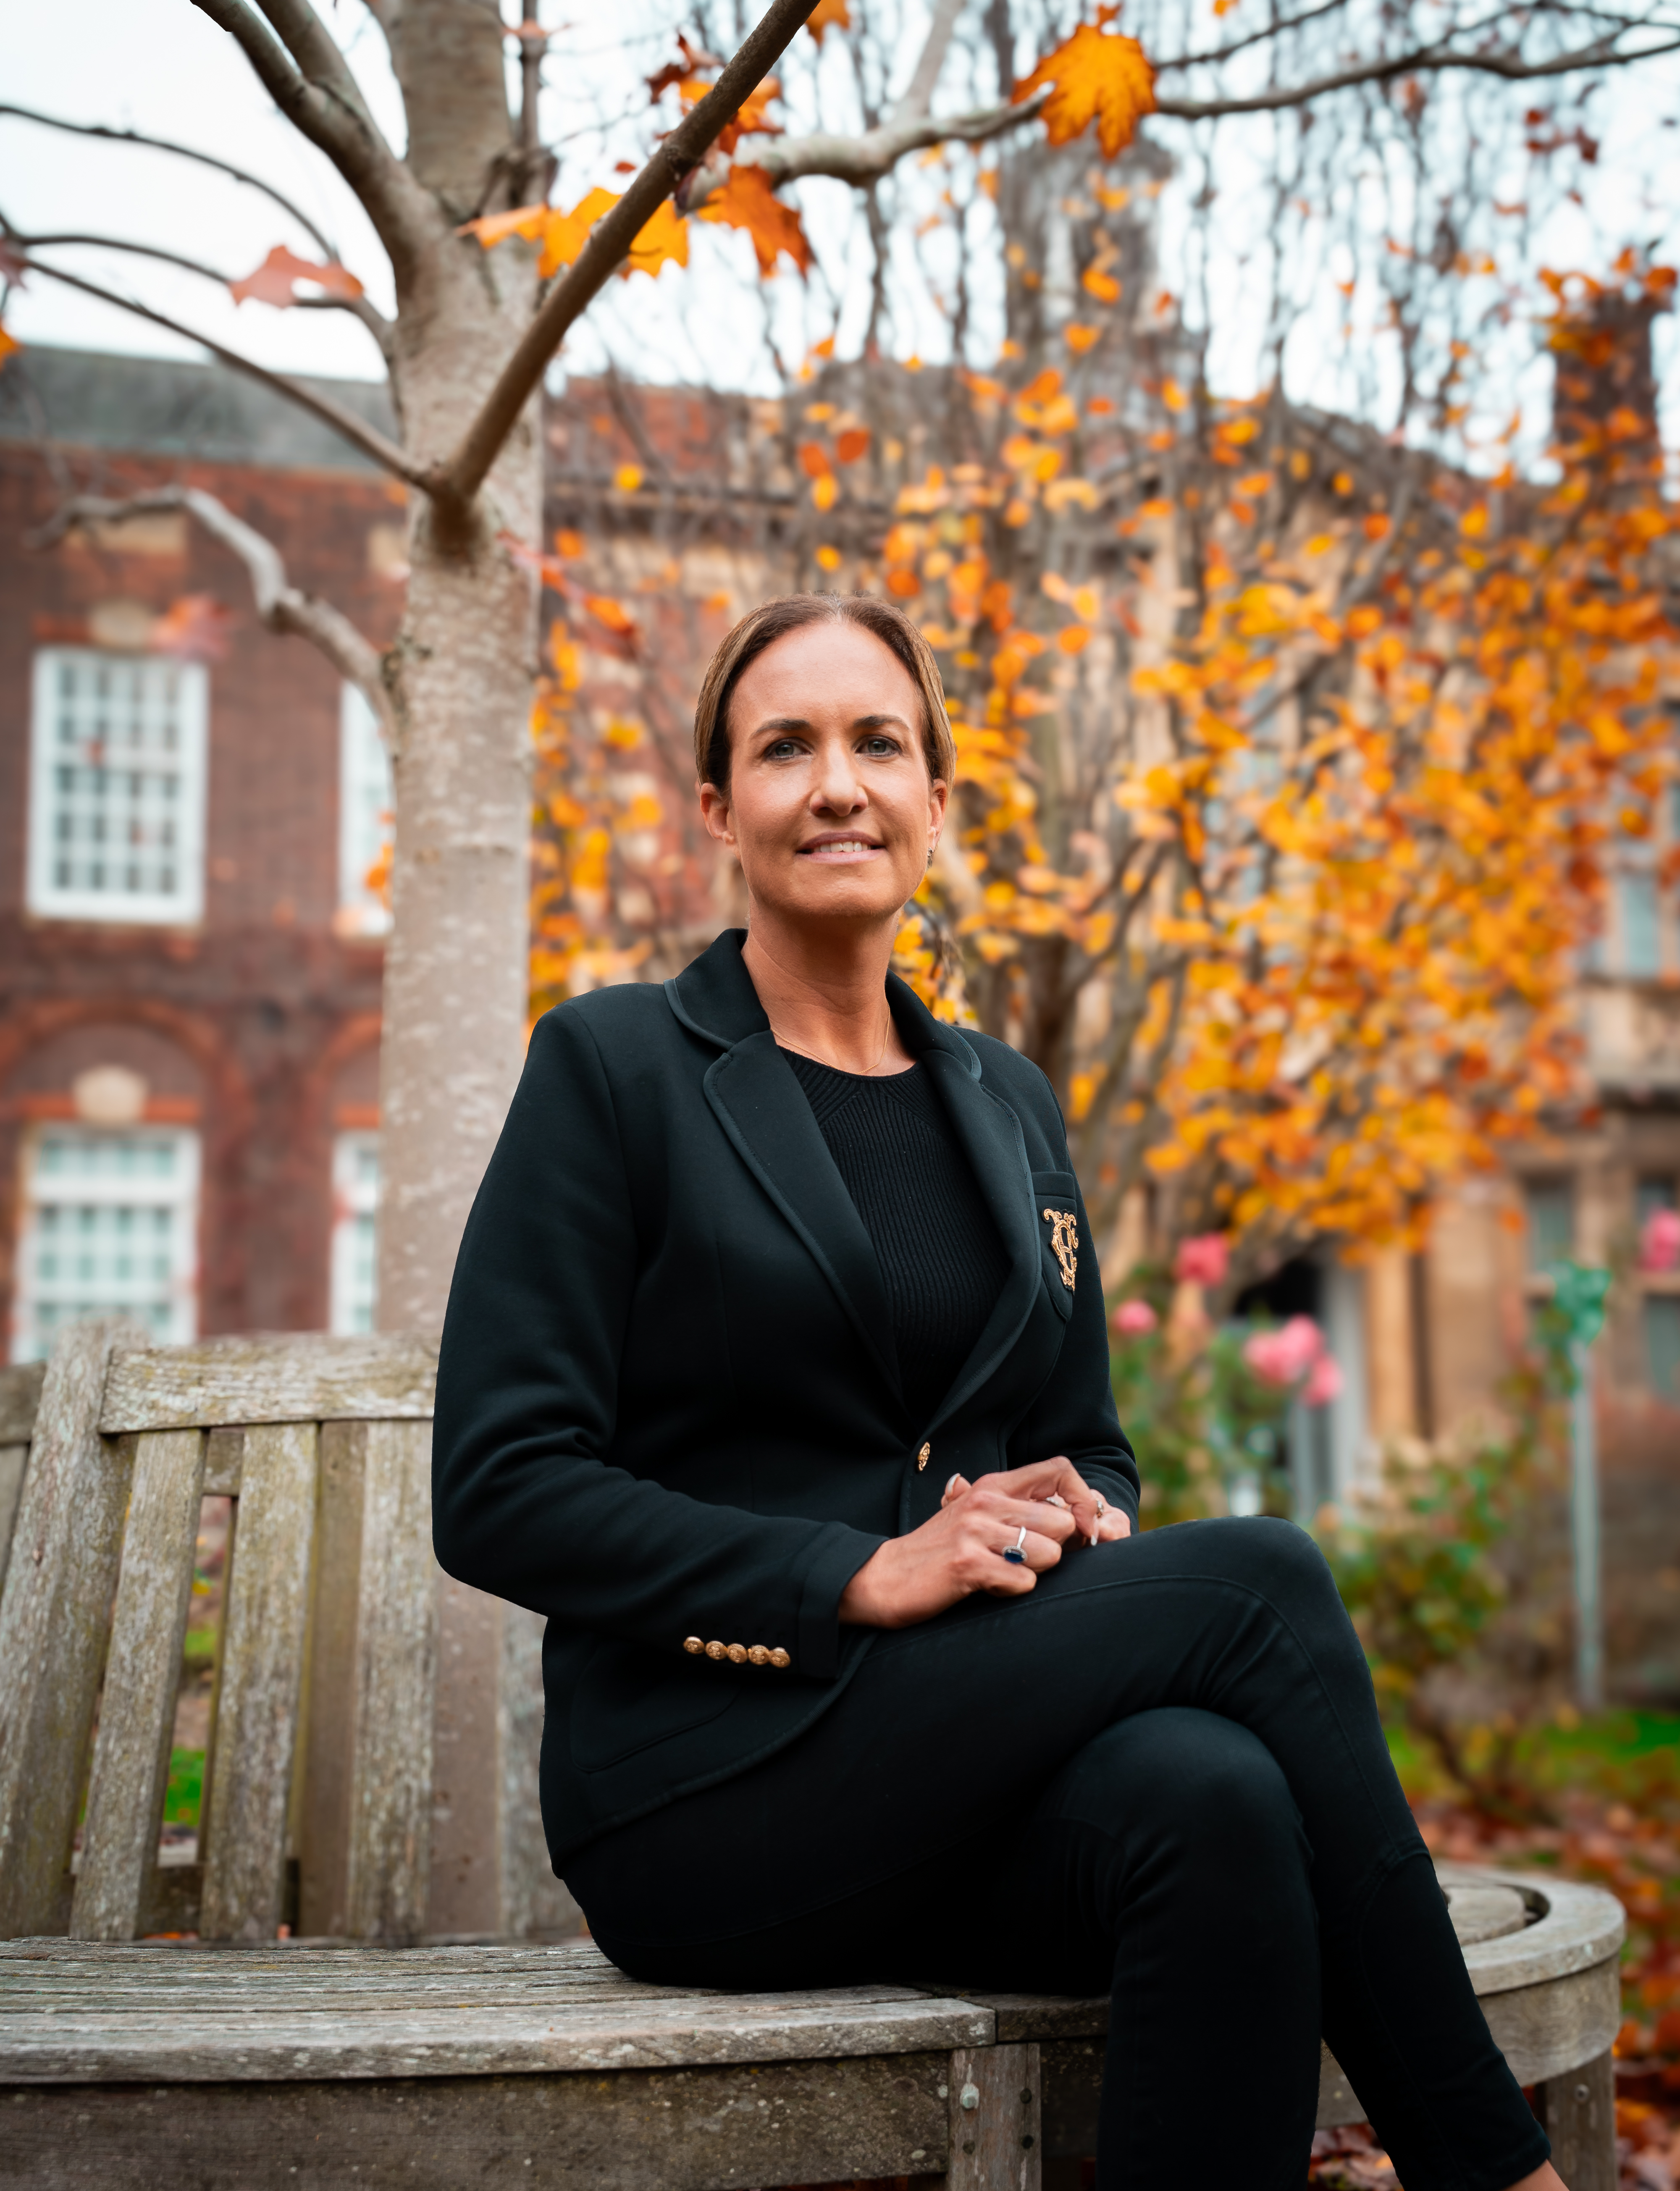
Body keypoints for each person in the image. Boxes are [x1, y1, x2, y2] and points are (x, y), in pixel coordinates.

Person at [433, 593, 1563, 2191]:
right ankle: (1499, 2168)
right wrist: (851, 1572)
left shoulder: (1006, 1102)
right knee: (1265, 1576)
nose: (839, 784)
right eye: (787, 748)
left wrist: (1067, 1516)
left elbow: (1083, 1436)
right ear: (719, 809)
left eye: (878, 743)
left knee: (1216, 1797)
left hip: (960, 1759)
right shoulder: (615, 1071)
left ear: (937, 802)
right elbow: (498, 1483)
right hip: (707, 1787)